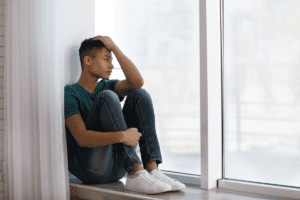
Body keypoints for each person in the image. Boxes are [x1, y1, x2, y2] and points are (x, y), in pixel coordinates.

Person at [64, 35, 186, 195]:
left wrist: (113, 47)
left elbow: (137, 82)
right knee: (107, 96)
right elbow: (82, 137)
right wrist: (122, 136)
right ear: (88, 61)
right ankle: (136, 170)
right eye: (106, 59)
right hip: (90, 169)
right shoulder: (71, 93)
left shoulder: (105, 86)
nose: (112, 65)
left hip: (116, 167)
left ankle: (151, 170)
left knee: (139, 94)